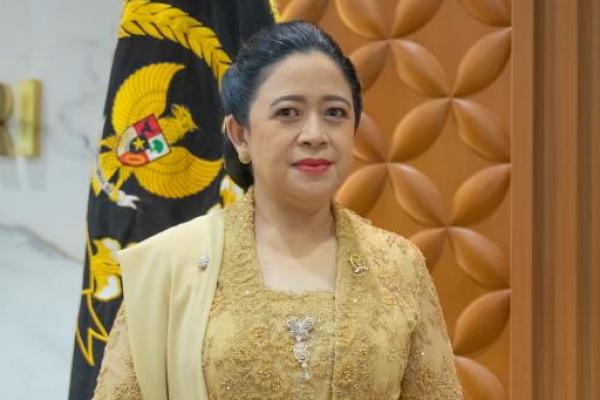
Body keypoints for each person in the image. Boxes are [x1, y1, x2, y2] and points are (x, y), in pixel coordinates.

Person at [92, 21, 463, 400]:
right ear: (240, 135)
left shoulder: (398, 265)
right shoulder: (171, 266)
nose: (315, 134)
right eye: (288, 112)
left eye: (335, 112)